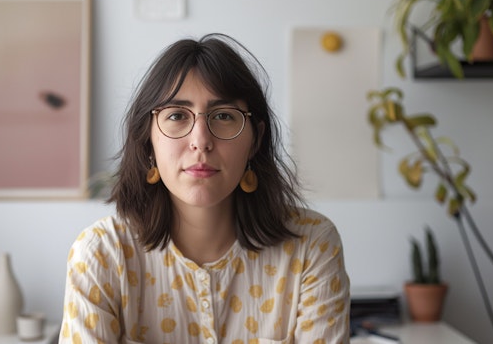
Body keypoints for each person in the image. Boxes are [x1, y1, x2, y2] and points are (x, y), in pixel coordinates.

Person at [59, 33, 350, 344]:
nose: (201, 140)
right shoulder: (101, 255)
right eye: (177, 116)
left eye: (223, 116)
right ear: (148, 140)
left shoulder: (311, 246)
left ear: (255, 140)